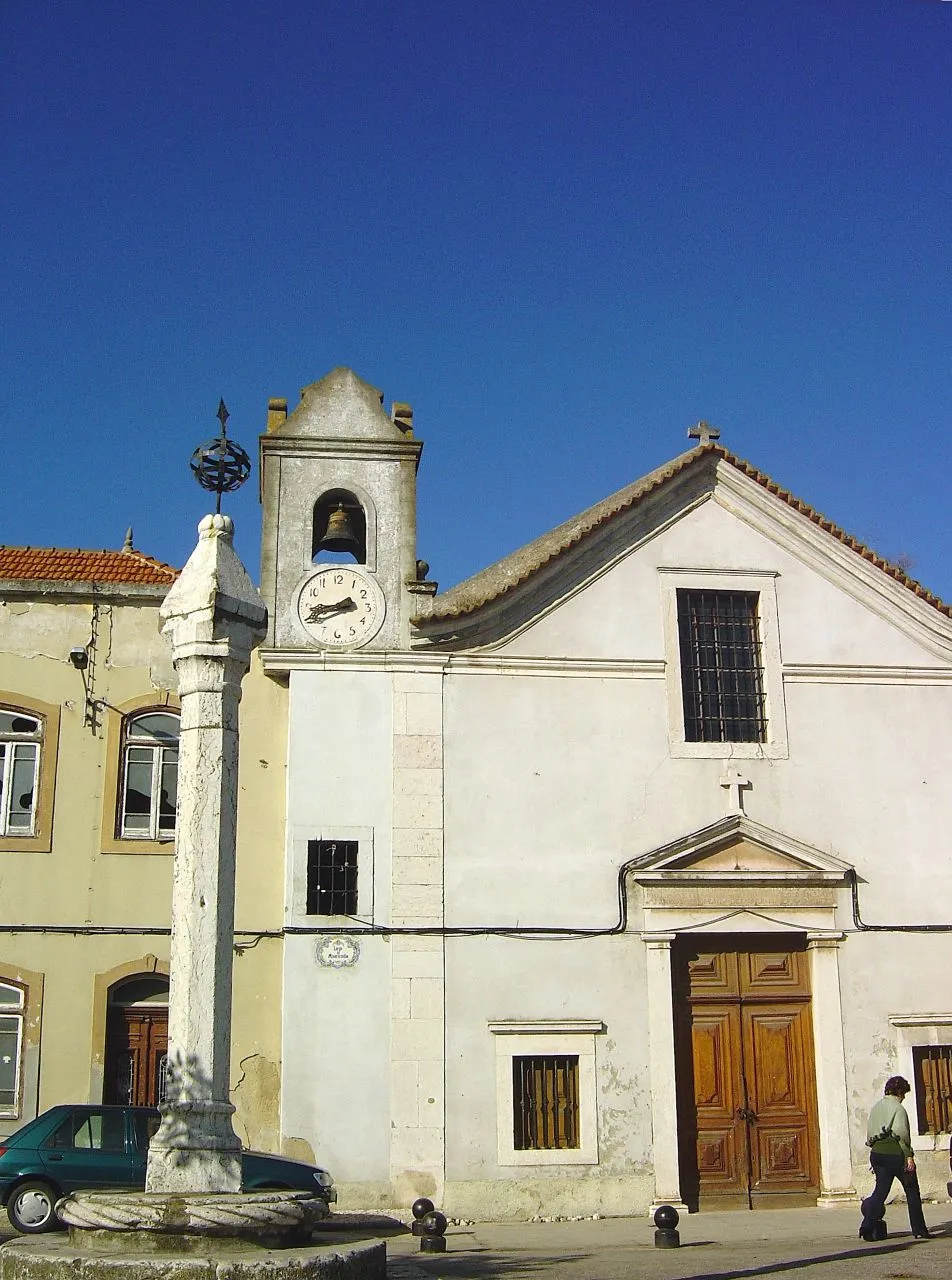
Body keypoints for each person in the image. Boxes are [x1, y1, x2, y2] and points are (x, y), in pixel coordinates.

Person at [859, 1075, 931, 1241]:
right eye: (904, 1093)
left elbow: (870, 1134)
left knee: (880, 1192)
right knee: (912, 1190)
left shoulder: (877, 1107)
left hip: (877, 1153)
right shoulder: (898, 1109)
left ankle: (867, 1226)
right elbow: (902, 1134)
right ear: (899, 1092)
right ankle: (919, 1229)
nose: (904, 1097)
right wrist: (909, 1156)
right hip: (895, 1153)